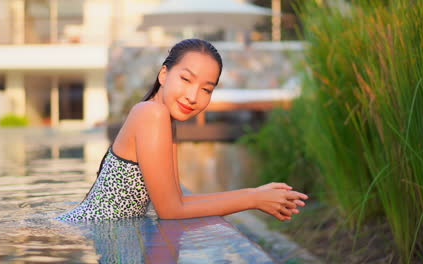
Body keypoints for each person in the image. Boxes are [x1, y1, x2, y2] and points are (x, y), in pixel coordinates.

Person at [55, 38, 308, 223]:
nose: (193, 96)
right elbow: (170, 211)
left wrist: (255, 193)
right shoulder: (151, 114)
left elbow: (178, 201)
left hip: (97, 232)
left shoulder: (161, 117)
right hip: (85, 231)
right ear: (164, 74)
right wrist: (253, 200)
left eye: (206, 89)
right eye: (186, 79)